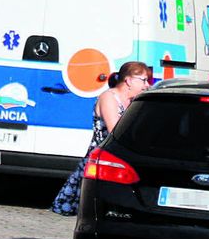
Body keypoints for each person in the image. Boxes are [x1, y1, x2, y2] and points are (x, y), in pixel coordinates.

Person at [50, 61, 152, 216]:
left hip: (122, 159)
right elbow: (115, 131)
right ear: (129, 80)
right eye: (143, 80)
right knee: (94, 208)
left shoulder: (133, 101)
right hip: (104, 159)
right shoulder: (109, 98)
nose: (147, 85)